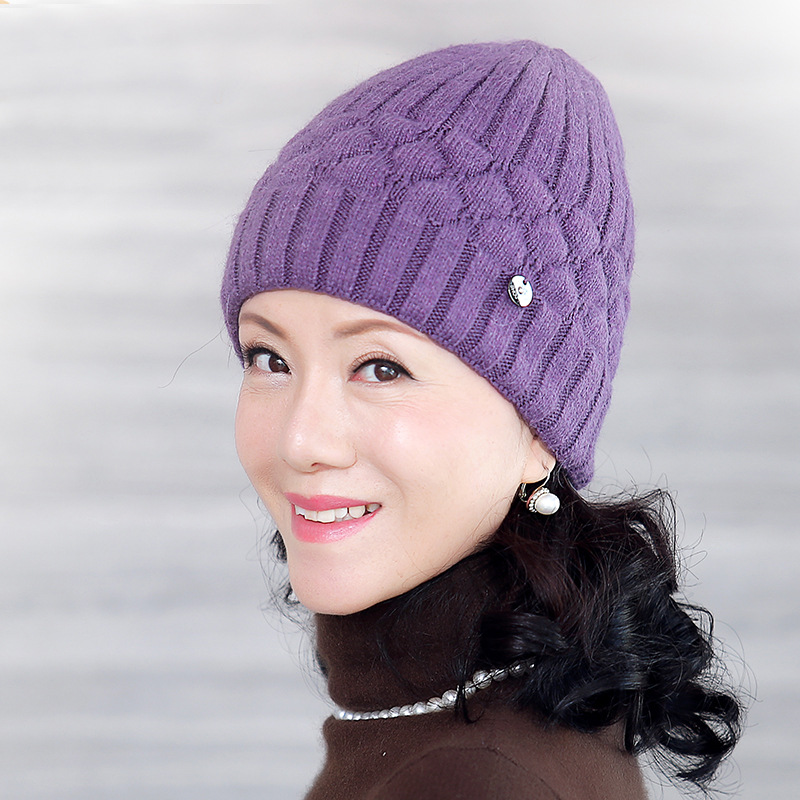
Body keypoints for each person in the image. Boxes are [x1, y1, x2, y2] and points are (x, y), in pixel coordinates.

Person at [220, 41, 741, 799]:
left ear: (538, 431)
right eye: (269, 358)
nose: (300, 440)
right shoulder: (493, 714)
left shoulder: (475, 779)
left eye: (381, 368)